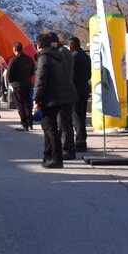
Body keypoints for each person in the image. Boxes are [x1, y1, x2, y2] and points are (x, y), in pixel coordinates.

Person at [33, 32, 77, 169]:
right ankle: (48, 155)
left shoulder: (43, 58)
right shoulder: (60, 55)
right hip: (66, 94)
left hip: (52, 97)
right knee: (50, 126)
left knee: (50, 128)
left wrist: (36, 100)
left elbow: (40, 81)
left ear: (39, 45)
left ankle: (56, 158)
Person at [50, 32, 76, 160]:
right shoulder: (66, 52)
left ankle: (67, 149)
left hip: (63, 93)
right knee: (67, 123)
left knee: (64, 124)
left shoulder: (60, 54)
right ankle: (69, 148)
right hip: (68, 91)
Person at [69, 36, 92, 151]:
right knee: (82, 116)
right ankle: (82, 139)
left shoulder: (73, 57)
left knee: (77, 117)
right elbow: (89, 74)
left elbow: (71, 75)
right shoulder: (86, 57)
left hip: (75, 91)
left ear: (72, 45)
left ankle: (80, 141)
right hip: (84, 89)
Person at [7, 41, 35, 131]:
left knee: (20, 104)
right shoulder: (29, 59)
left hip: (17, 84)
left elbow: (9, 74)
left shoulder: (13, 60)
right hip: (27, 83)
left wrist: (11, 82)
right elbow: (32, 71)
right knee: (28, 103)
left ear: (14, 49)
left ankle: (24, 125)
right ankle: (30, 123)